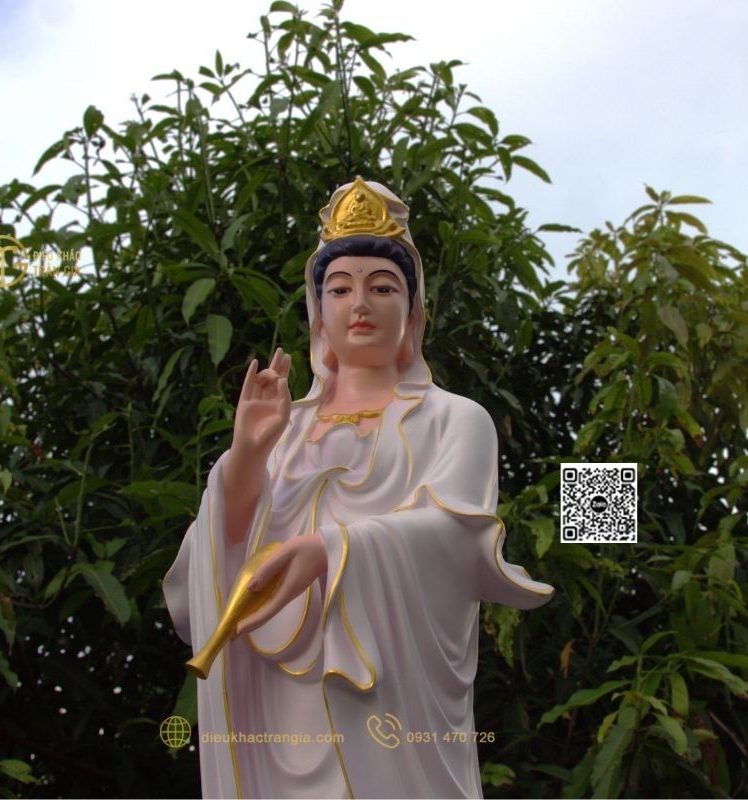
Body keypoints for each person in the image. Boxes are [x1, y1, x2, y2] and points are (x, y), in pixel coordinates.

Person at [162, 178, 555, 799]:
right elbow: (211, 565)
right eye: (340, 288)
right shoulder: (286, 429)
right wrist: (246, 458)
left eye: (383, 287)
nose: (360, 303)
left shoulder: (455, 419)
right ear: (318, 311)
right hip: (279, 713)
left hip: (394, 707)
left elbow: (457, 539)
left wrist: (333, 549)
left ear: (413, 310)